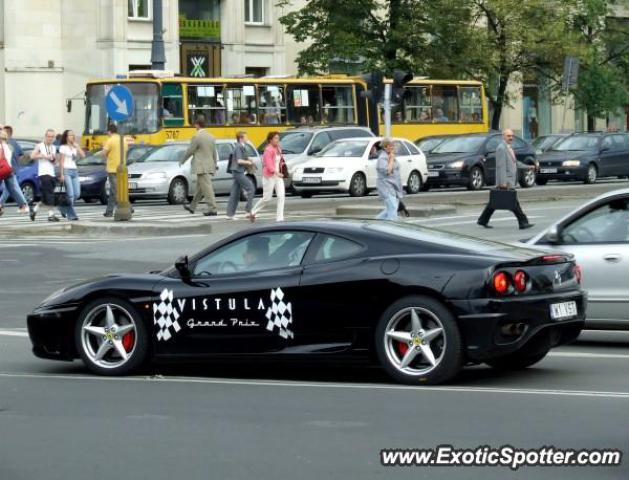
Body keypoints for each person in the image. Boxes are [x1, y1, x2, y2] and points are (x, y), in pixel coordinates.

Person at [477, 129, 534, 230]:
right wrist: (503, 183)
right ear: (503, 136)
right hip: (506, 182)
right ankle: (523, 222)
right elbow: (501, 167)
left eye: (512, 136)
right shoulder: (501, 148)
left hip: (509, 181)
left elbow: (514, 163)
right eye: (508, 136)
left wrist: (528, 167)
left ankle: (483, 220)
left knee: (495, 202)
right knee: (513, 203)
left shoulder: (508, 147)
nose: (511, 138)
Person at [182, 116, 218, 216]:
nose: (195, 126)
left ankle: (212, 209)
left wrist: (182, 160)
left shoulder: (197, 136)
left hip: (201, 166)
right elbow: (214, 153)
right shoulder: (211, 136)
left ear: (197, 125)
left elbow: (190, 150)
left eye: (195, 124)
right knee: (200, 188)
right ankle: (192, 207)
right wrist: (215, 164)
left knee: (207, 188)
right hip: (209, 165)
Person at [250, 131, 285, 222]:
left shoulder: (278, 148)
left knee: (281, 196)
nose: (278, 140)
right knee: (267, 198)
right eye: (276, 138)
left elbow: (280, 161)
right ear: (270, 140)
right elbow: (269, 166)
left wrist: (281, 169)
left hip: (278, 177)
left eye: (278, 138)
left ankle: (280, 218)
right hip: (269, 176)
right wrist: (277, 172)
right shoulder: (268, 150)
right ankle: (253, 211)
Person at [30, 129, 61, 222]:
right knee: (50, 195)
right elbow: (32, 156)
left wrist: (54, 159)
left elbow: (55, 162)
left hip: (51, 173)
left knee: (46, 197)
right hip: (43, 173)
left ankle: (34, 210)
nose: (50, 138)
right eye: (49, 136)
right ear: (45, 136)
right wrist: (43, 156)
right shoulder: (39, 146)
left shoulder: (53, 147)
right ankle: (50, 215)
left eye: (52, 137)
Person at [226, 132, 256, 221]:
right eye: (246, 137)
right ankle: (248, 211)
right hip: (238, 171)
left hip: (237, 171)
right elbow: (239, 161)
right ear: (241, 138)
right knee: (251, 188)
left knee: (235, 193)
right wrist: (249, 163)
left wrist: (250, 159)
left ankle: (230, 214)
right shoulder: (239, 147)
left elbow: (245, 157)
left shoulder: (242, 147)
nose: (247, 138)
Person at [0, 125, 29, 216]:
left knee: (13, 188)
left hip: (2, 170)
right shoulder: (9, 146)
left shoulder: (2, 147)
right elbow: (20, 156)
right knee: (13, 188)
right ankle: (23, 206)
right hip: (8, 170)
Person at [58, 130, 85, 221]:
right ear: (66, 137)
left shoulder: (74, 147)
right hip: (66, 171)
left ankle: (63, 208)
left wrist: (77, 147)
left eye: (73, 135)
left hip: (74, 171)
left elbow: (83, 156)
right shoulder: (63, 147)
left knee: (77, 194)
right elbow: (61, 161)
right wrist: (61, 174)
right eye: (70, 135)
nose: (72, 137)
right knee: (71, 195)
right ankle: (71, 215)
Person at [100, 124, 127, 217]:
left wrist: (105, 152)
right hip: (122, 168)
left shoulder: (110, 140)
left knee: (115, 190)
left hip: (112, 168)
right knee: (114, 190)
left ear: (109, 131)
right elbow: (126, 150)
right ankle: (109, 211)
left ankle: (128, 207)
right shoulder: (123, 139)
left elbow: (104, 153)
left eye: (107, 132)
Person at [376, 139, 403, 220]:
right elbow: (387, 172)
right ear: (385, 147)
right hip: (386, 187)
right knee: (393, 208)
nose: (392, 147)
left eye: (392, 145)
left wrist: (392, 158)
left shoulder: (391, 156)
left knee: (390, 209)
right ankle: (391, 228)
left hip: (394, 187)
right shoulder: (382, 158)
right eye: (389, 146)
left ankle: (374, 224)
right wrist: (391, 159)